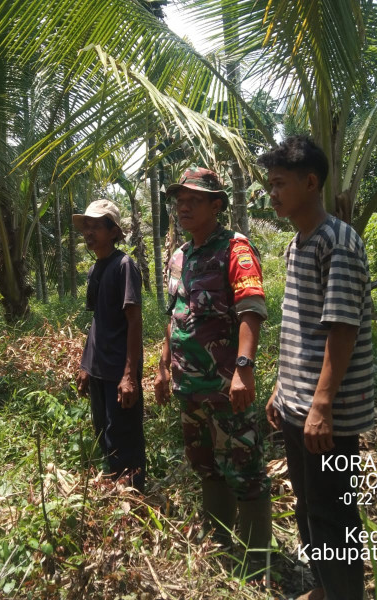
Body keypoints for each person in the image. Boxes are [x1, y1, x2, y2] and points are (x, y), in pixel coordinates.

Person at [260, 136, 374, 600]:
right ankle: (327, 589)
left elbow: (342, 329)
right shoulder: (297, 244)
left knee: (332, 512)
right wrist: (280, 388)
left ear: (311, 182)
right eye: (269, 184)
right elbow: (299, 327)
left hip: (328, 412)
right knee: (307, 505)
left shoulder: (339, 242)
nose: (272, 192)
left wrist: (321, 404)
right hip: (296, 404)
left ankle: (347, 593)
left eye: (279, 183)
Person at [153, 167, 271, 578]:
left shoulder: (234, 250)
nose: (182, 206)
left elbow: (251, 310)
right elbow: (175, 317)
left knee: (245, 467)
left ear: (216, 205)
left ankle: (257, 559)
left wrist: (243, 369)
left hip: (226, 388)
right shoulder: (179, 257)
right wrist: (163, 368)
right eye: (178, 200)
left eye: (194, 200)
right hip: (189, 388)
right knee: (204, 463)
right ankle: (219, 545)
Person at [74, 199, 146, 492]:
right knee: (104, 436)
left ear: (114, 231)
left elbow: (134, 321)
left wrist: (130, 375)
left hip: (119, 373)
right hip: (99, 371)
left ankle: (135, 499)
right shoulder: (96, 269)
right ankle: (116, 499)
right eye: (86, 226)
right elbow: (98, 323)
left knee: (124, 439)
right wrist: (85, 364)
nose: (89, 232)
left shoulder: (124, 266)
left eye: (96, 226)